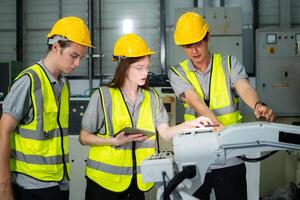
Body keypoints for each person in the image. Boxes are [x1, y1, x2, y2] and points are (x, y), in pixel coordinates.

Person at [79, 33, 212, 200]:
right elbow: (84, 137)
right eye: (139, 68)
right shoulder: (103, 96)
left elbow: (165, 132)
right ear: (124, 67)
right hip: (103, 182)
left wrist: (192, 124)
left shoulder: (152, 97)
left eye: (147, 67)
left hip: (138, 183)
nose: (145, 72)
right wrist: (114, 141)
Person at [168, 12, 276, 200]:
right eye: (187, 46)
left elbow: (244, 88)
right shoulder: (177, 72)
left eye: (198, 43)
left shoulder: (228, 63)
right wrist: (216, 124)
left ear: (208, 37)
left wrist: (257, 104)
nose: (194, 50)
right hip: (195, 158)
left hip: (230, 158)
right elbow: (194, 101)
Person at [0, 16, 93, 200]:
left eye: (80, 58)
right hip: (31, 186)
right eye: (74, 56)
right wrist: (3, 186)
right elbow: (3, 131)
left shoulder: (63, 85)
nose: (77, 64)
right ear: (56, 47)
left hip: (59, 182)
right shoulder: (29, 81)